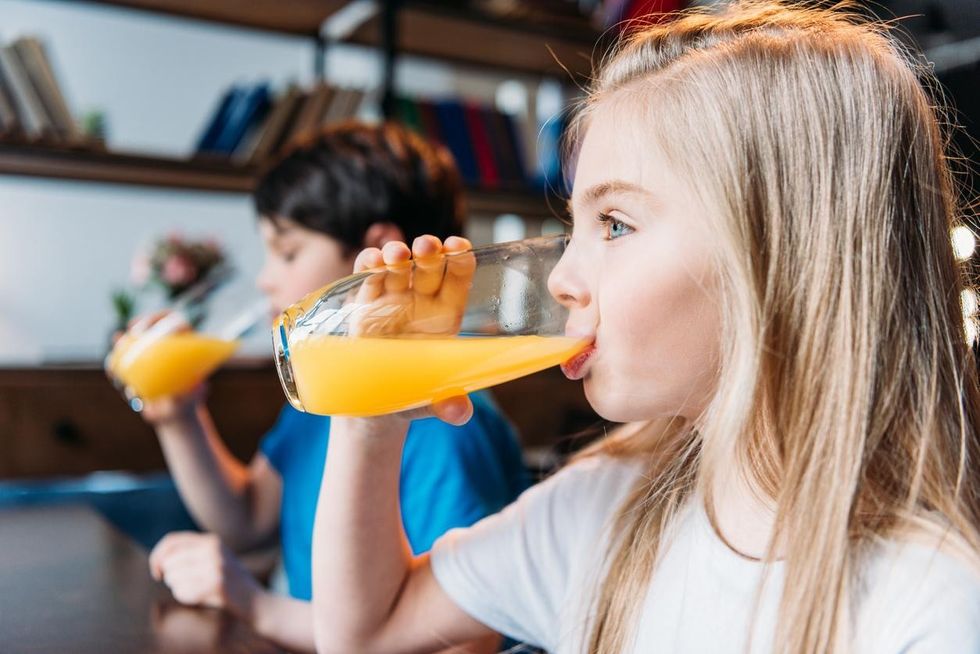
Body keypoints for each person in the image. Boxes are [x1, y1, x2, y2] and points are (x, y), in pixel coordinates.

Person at [308, 3, 980, 653]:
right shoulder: (601, 507)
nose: (560, 279)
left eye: (616, 225)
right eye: (573, 227)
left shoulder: (930, 604)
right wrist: (371, 420)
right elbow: (368, 632)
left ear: (781, 256)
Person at [140, 122, 529, 653]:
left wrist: (257, 606)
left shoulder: (446, 420)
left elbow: (459, 643)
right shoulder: (322, 387)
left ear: (376, 252)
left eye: (289, 251)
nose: (264, 279)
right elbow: (249, 517)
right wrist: (179, 416)